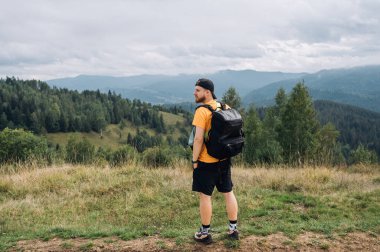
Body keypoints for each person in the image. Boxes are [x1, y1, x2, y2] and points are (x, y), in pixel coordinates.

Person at [191, 78, 239, 244]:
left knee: (205, 196)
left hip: (207, 160)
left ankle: (204, 233)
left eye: (197, 90)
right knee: (228, 192)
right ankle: (233, 230)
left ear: (207, 92)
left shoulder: (201, 111)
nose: (194, 93)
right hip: (224, 158)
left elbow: (198, 139)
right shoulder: (225, 107)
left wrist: (194, 161)